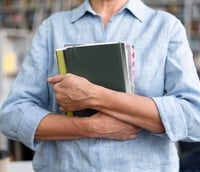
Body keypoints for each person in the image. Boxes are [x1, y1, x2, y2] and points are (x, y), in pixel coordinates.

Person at [0, 0, 200, 171]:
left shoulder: (165, 27)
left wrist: (95, 96)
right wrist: (89, 127)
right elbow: (13, 114)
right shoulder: (52, 28)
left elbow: (193, 117)